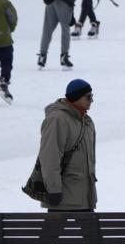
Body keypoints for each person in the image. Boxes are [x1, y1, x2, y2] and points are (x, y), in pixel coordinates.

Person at [26, 79, 97, 212]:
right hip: (62, 198)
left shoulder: (86, 122)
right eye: (88, 97)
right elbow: (49, 157)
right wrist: (53, 190)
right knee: (53, 233)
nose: (91, 100)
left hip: (83, 197)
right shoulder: (58, 120)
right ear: (77, 98)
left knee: (91, 233)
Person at [40, 0, 103, 70]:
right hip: (61, 2)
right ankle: (64, 56)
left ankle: (42, 57)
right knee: (65, 30)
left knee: (47, 29)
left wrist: (72, 14)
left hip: (54, 0)